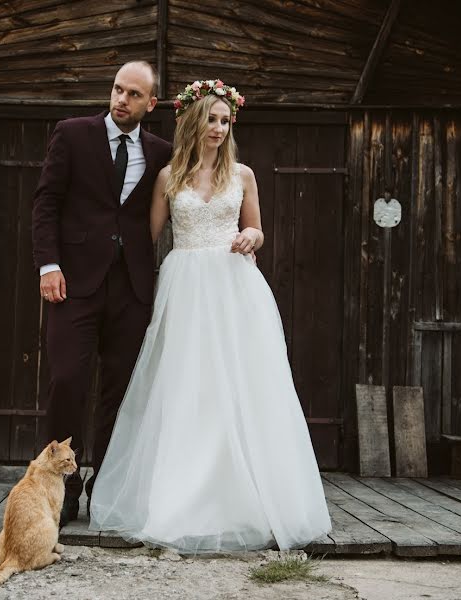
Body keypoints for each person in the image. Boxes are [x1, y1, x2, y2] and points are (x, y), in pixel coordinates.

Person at [89, 80, 332, 553]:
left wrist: (253, 239)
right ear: (192, 122)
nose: (219, 129)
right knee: (186, 387)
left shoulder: (243, 175)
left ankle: (245, 499)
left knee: (238, 386)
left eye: (225, 121)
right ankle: (180, 496)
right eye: (211, 119)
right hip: (184, 287)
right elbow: (146, 239)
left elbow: (256, 228)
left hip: (232, 287)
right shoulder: (168, 178)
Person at [31, 61, 173, 527]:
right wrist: (48, 265)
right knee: (68, 379)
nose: (121, 100)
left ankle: (106, 485)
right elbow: (46, 202)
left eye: (133, 94)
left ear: (150, 104)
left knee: (119, 389)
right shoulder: (72, 134)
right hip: (72, 283)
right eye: (117, 90)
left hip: (130, 287)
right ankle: (63, 487)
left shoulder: (160, 152)